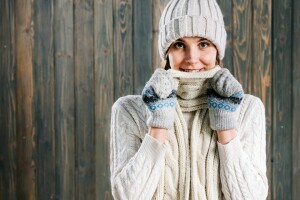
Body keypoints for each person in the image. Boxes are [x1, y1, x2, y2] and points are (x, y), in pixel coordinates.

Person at [110, 0, 268, 199]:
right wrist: (158, 124)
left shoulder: (247, 109)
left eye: (203, 44)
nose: (192, 58)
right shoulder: (129, 110)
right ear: (167, 52)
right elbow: (127, 196)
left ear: (217, 50)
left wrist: (226, 125)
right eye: (179, 44)